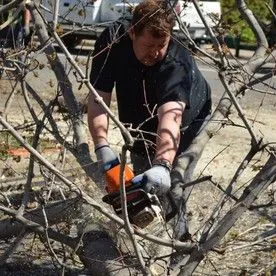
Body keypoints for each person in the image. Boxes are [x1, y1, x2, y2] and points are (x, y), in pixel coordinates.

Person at [88, 0, 211, 234]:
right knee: (141, 187)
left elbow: (171, 117)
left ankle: (179, 246)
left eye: (161, 45)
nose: (155, 53)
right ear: (132, 32)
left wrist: (163, 165)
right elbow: (98, 98)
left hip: (187, 120)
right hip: (138, 117)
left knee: (173, 186)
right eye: (149, 45)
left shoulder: (175, 62)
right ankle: (147, 240)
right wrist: (101, 146)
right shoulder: (112, 41)